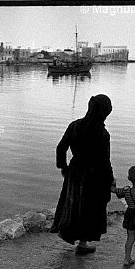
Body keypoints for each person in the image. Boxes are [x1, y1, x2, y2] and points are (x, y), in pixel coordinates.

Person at [51, 94, 115, 255]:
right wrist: (110, 179)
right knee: (90, 209)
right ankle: (83, 243)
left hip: (75, 172)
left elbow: (61, 148)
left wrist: (63, 167)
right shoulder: (102, 133)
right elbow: (104, 161)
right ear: (105, 112)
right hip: (94, 176)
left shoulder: (75, 126)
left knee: (74, 206)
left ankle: (76, 239)